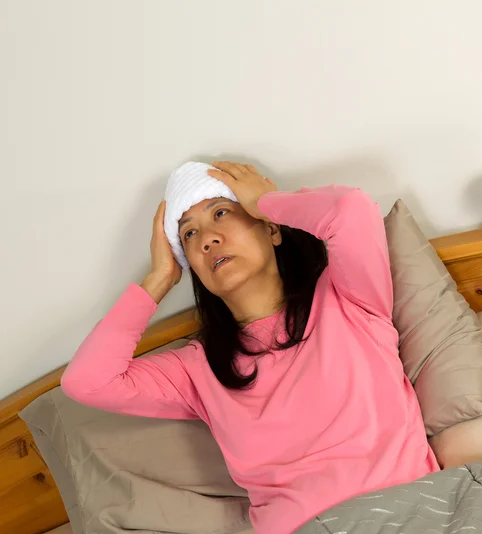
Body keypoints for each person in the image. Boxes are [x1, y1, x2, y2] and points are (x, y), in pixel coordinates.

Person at [61, 161, 439, 534]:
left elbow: (349, 211)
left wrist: (266, 201)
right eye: (189, 235)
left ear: (271, 229)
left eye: (221, 213)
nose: (207, 239)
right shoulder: (199, 368)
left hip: (411, 516)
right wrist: (158, 279)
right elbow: (87, 381)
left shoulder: (347, 298)